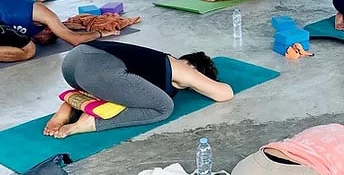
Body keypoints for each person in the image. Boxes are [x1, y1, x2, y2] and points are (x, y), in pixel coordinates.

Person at [42, 40, 234, 138]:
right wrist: (201, 80)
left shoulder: (154, 64)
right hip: (96, 68)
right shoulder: (182, 68)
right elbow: (224, 94)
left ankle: (70, 105)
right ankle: (84, 124)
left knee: (120, 93)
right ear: (193, 67)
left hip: (72, 63)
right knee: (164, 107)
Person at [0, 0, 119, 63]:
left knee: (23, 43)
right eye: (43, 39)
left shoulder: (37, 21)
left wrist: (65, 26)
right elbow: (75, 40)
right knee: (29, 50)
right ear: (49, 29)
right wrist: (100, 33)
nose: (39, 40)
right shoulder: (47, 16)